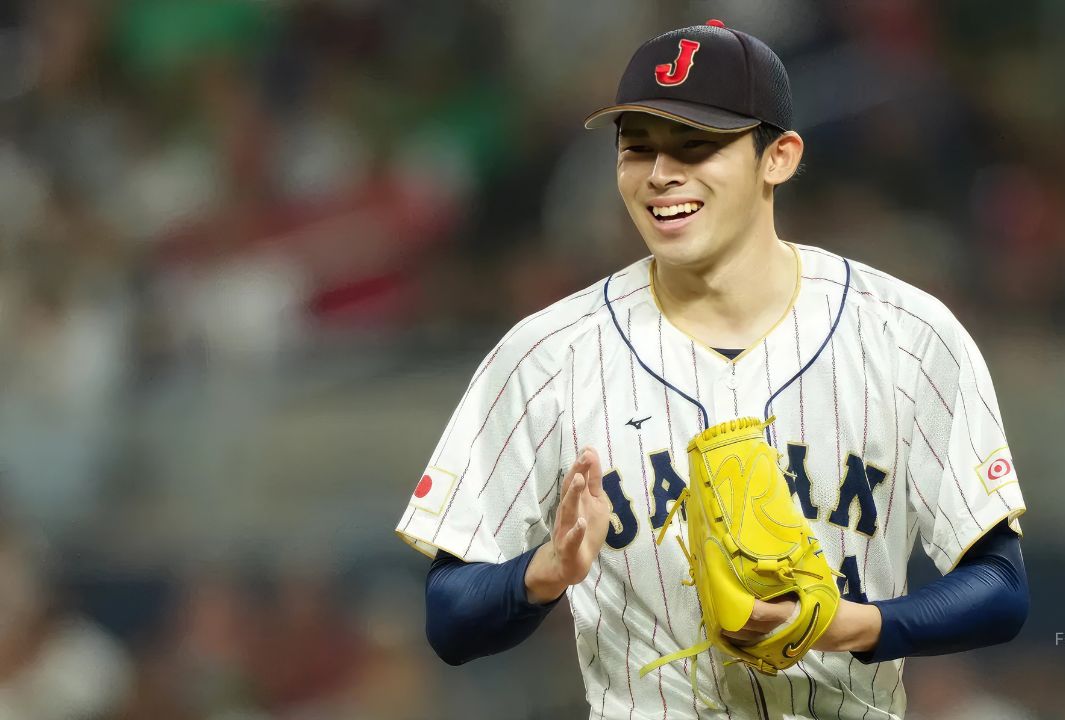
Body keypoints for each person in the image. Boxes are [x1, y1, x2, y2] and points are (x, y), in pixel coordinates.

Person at [396, 19, 1029, 719]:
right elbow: (450, 619)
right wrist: (543, 573)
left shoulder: (907, 336)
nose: (662, 174)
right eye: (637, 149)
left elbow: (1000, 587)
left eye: (696, 146)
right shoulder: (546, 355)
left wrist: (852, 625)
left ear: (779, 157)